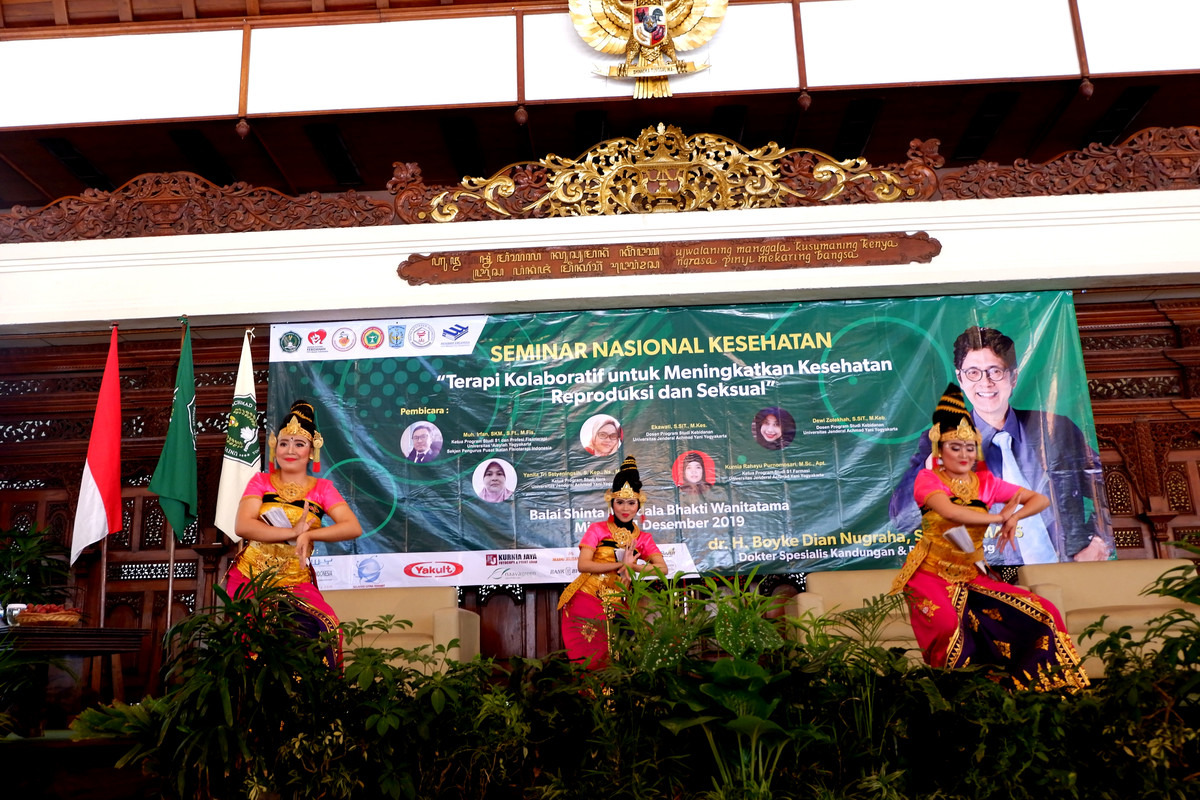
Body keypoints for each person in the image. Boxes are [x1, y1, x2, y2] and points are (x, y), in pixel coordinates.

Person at [888, 384, 1088, 690]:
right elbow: (952, 513)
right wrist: (1000, 517)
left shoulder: (985, 482)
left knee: (1042, 612)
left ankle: (1028, 692)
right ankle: (952, 699)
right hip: (929, 575)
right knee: (948, 626)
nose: (964, 454)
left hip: (972, 573)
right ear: (939, 450)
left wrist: (1016, 515)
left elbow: (1039, 499)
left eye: (970, 447)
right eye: (955, 447)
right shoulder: (928, 479)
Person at [889, 326, 1113, 565]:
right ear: (960, 379)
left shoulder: (1054, 429)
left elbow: (1101, 485)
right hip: (988, 573)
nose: (985, 383)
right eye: (973, 372)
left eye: (995, 371)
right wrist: (931, 468)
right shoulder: (938, 441)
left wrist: (1100, 540)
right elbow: (902, 520)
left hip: (1065, 568)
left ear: (1013, 377)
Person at [231, 400, 363, 666]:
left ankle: (310, 693)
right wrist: (291, 531)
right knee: (259, 637)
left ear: (312, 451)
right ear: (274, 447)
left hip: (295, 578)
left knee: (325, 629)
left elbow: (352, 527)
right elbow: (243, 526)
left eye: (299, 444)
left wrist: (309, 535)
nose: (290, 450)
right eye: (284, 443)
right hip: (252, 576)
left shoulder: (322, 489)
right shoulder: (260, 481)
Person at [557, 456, 667, 669]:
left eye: (631, 503)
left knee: (624, 654)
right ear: (612, 503)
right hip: (587, 597)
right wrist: (620, 565)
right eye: (620, 502)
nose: (625, 508)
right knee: (592, 660)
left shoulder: (643, 539)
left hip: (617, 602)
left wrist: (633, 566)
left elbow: (662, 568)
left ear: (639, 505)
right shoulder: (597, 529)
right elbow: (583, 565)